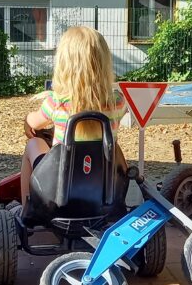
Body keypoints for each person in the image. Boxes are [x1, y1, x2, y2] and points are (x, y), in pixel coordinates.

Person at [21, 26, 126, 206]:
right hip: (101, 185)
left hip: (59, 186)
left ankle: (27, 208)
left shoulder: (56, 102)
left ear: (64, 64)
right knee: (113, 146)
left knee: (34, 144)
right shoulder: (117, 101)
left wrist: (27, 121)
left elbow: (34, 123)